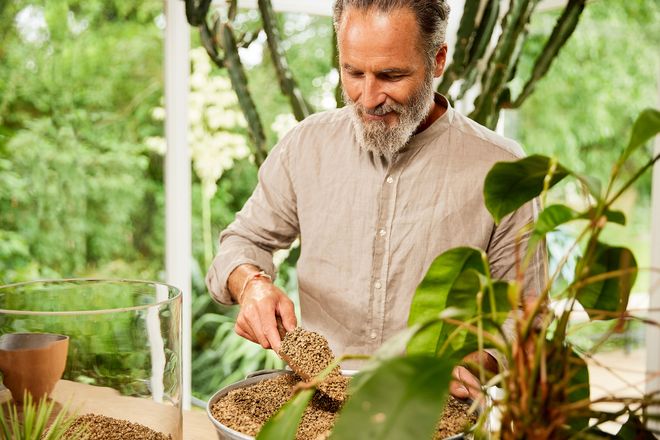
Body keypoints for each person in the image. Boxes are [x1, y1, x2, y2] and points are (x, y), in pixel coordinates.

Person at [206, 0, 545, 400]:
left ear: (437, 60)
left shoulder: (503, 168)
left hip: (431, 412)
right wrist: (251, 285)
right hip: (314, 407)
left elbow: (527, 313)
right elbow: (243, 242)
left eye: (390, 75)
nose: (368, 98)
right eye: (353, 72)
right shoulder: (306, 146)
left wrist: (475, 363)